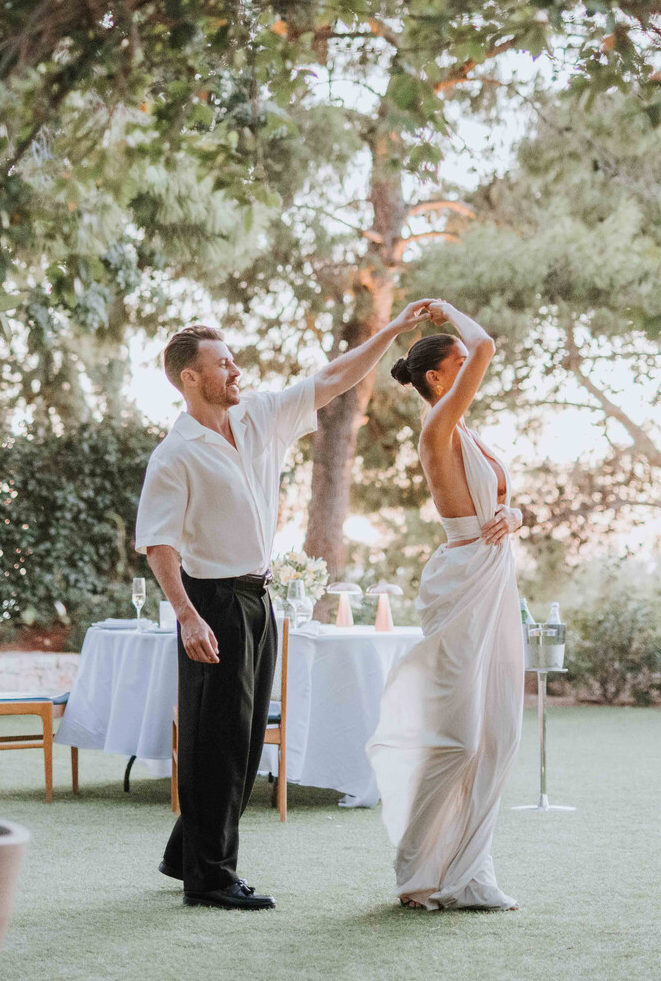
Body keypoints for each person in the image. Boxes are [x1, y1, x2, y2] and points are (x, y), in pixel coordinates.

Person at [135, 303, 441, 910]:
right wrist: (188, 616)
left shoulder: (259, 417)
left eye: (234, 361)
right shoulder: (174, 455)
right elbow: (159, 544)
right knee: (215, 740)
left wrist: (389, 332)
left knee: (245, 741)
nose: (237, 371)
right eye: (223, 365)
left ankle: (185, 852)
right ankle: (211, 880)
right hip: (211, 602)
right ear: (189, 378)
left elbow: (332, 378)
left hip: (259, 596)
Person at [365, 300, 525, 911]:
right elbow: (485, 346)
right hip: (461, 577)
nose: (473, 367)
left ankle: (469, 871)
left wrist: (513, 514)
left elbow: (505, 503)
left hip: (496, 575)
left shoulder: (469, 434)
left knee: (499, 729)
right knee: (457, 734)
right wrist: (446, 312)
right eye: (457, 362)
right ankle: (417, 872)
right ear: (438, 378)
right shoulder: (437, 426)